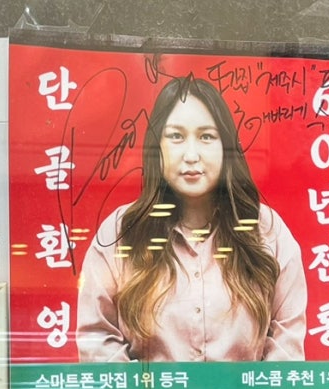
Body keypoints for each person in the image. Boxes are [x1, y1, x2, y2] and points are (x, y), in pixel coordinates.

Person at [76, 75, 307, 362]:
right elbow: (97, 340)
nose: (191, 155)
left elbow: (287, 345)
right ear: (156, 147)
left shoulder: (266, 231)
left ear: (226, 147)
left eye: (206, 137)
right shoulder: (121, 232)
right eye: (176, 136)